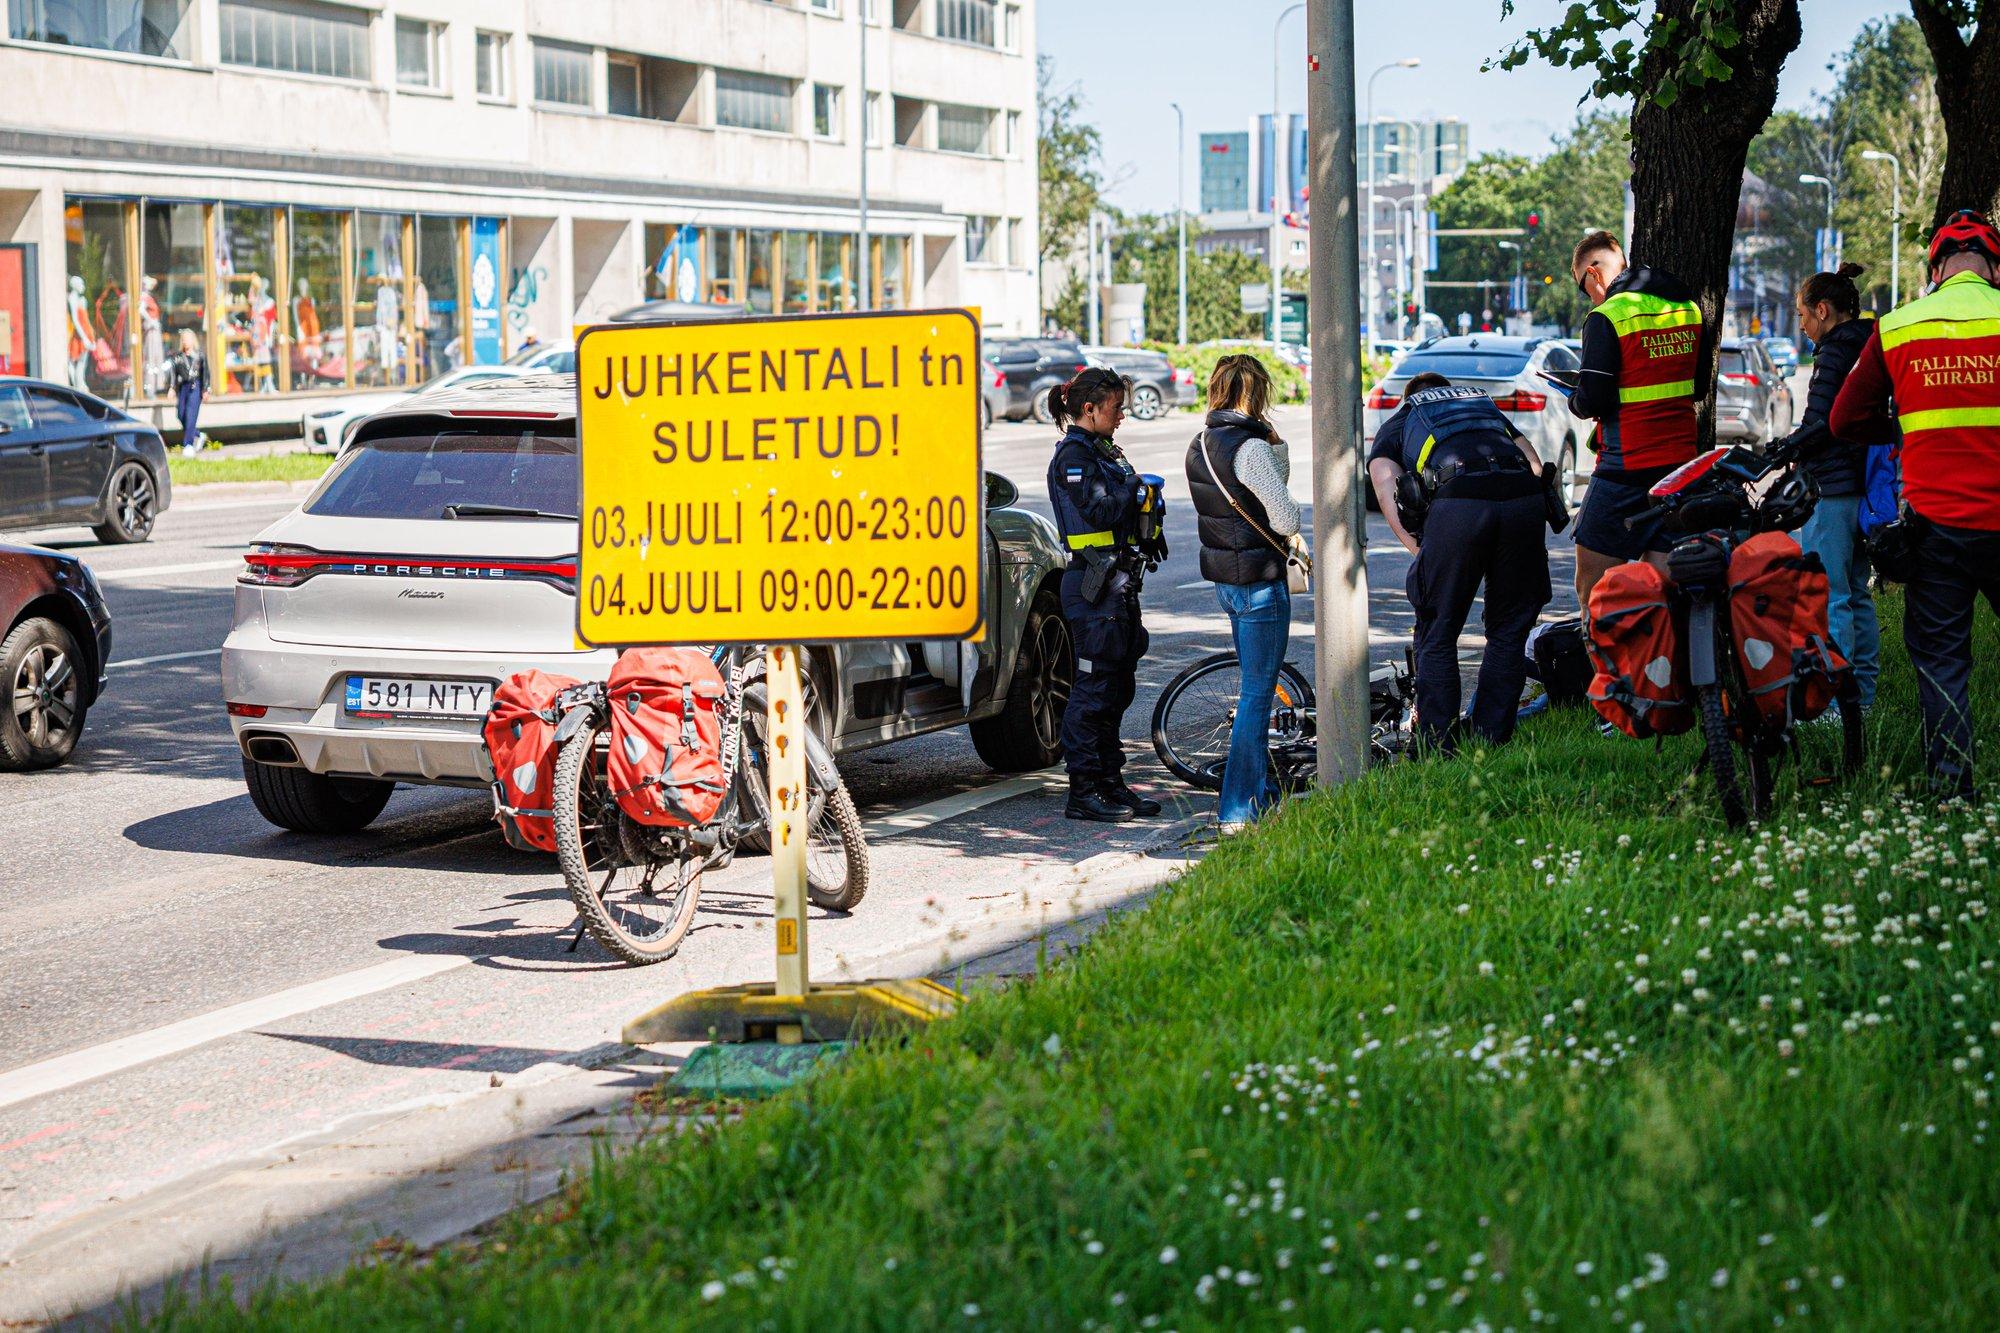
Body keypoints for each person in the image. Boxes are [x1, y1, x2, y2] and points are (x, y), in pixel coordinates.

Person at [1831, 209, 2000, 798]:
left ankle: (1954, 792)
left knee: (1943, 662)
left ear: (1935, 269)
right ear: (1995, 269)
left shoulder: (1900, 325)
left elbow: (1844, 418)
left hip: (1936, 527)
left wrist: (1908, 430)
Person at [1368, 371, 1551, 751]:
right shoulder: (1483, 413)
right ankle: (1490, 736)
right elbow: (1533, 464)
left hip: (1459, 506)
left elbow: (1388, 488)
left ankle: (1437, 744)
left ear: (1411, 398)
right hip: (1523, 503)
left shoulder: (1402, 421)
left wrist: (1425, 552)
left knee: (1437, 630)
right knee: (1509, 629)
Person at [1186, 354, 1303, 831]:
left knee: (1254, 689)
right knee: (1257, 694)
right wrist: (1279, 448)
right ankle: (1238, 809)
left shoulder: (1200, 442)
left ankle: (1263, 791)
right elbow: (1287, 518)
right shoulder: (1251, 448)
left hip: (1227, 583)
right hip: (1259, 582)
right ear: (1258, 395)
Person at [1566, 230, 1708, 606]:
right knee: (1665, 587)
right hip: (1679, 469)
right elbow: (1699, 387)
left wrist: (1575, 400)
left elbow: (1593, 398)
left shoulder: (1607, 316)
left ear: (1594, 274)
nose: (1589, 298)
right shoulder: (1688, 309)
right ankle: (1669, 662)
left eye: (1585, 287)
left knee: (1592, 586)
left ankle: (1607, 664)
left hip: (1624, 469)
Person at [1045, 366, 1161, 823]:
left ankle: (1111, 784)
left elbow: (1126, 512)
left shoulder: (1105, 451)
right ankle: (1084, 790)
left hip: (1118, 585)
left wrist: (1148, 505)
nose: (1122, 417)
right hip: (1092, 589)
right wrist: (1134, 491)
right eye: (1116, 409)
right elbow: (1097, 511)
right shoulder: (1074, 458)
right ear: (1089, 409)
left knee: (1116, 690)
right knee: (1092, 692)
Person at [1777, 262, 1881, 712]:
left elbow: (1821, 421)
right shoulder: (1871, 345)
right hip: (1866, 485)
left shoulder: (1834, 351)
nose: (1801, 326)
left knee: (1831, 595)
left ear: (1823, 310)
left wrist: (1784, 450)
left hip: (1834, 484)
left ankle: (1837, 707)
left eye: (1802, 316)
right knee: (1857, 593)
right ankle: (1865, 698)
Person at [169, 328, 208, 456]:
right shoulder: (178, 357)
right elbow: (174, 374)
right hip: (183, 388)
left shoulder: (199, 356)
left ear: (193, 341)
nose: (186, 342)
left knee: (191, 415)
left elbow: (205, 374)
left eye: (188, 339)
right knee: (181, 414)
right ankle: (198, 434)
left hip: (195, 387)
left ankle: (188, 445)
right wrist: (172, 388)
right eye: (184, 340)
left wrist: (205, 389)